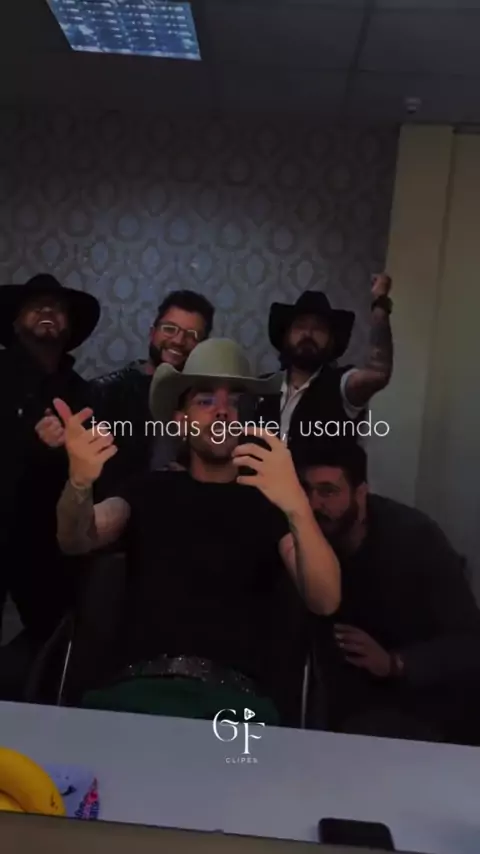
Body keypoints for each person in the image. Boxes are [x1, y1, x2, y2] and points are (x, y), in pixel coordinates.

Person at [54, 338, 341, 723]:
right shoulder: (147, 490)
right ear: (181, 420)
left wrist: (297, 506)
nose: (223, 411)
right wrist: (78, 484)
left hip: (234, 707)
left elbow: (325, 600)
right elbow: (76, 539)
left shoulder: (268, 504)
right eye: (206, 400)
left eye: (235, 402)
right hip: (133, 696)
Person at [296, 441, 480, 742]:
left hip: (421, 708)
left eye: (328, 491)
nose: (314, 504)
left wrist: (395, 663)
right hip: (336, 707)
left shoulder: (413, 539)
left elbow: (469, 642)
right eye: (306, 490)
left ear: (360, 494)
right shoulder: (301, 534)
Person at [0, 273, 100, 698]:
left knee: (47, 655)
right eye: (35, 304)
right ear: (14, 320)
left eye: (56, 307)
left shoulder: (83, 394)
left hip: (46, 549)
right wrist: (29, 441)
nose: (46, 311)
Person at [36, 289, 215, 486]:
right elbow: (75, 468)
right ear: (152, 333)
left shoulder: (212, 403)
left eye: (192, 335)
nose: (178, 340)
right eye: (170, 329)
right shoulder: (104, 392)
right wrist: (55, 442)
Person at [257, 274, 393, 458]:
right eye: (300, 326)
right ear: (286, 335)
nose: (308, 333)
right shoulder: (262, 388)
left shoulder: (341, 387)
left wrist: (380, 304)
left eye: (319, 328)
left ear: (330, 340)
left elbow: (378, 373)